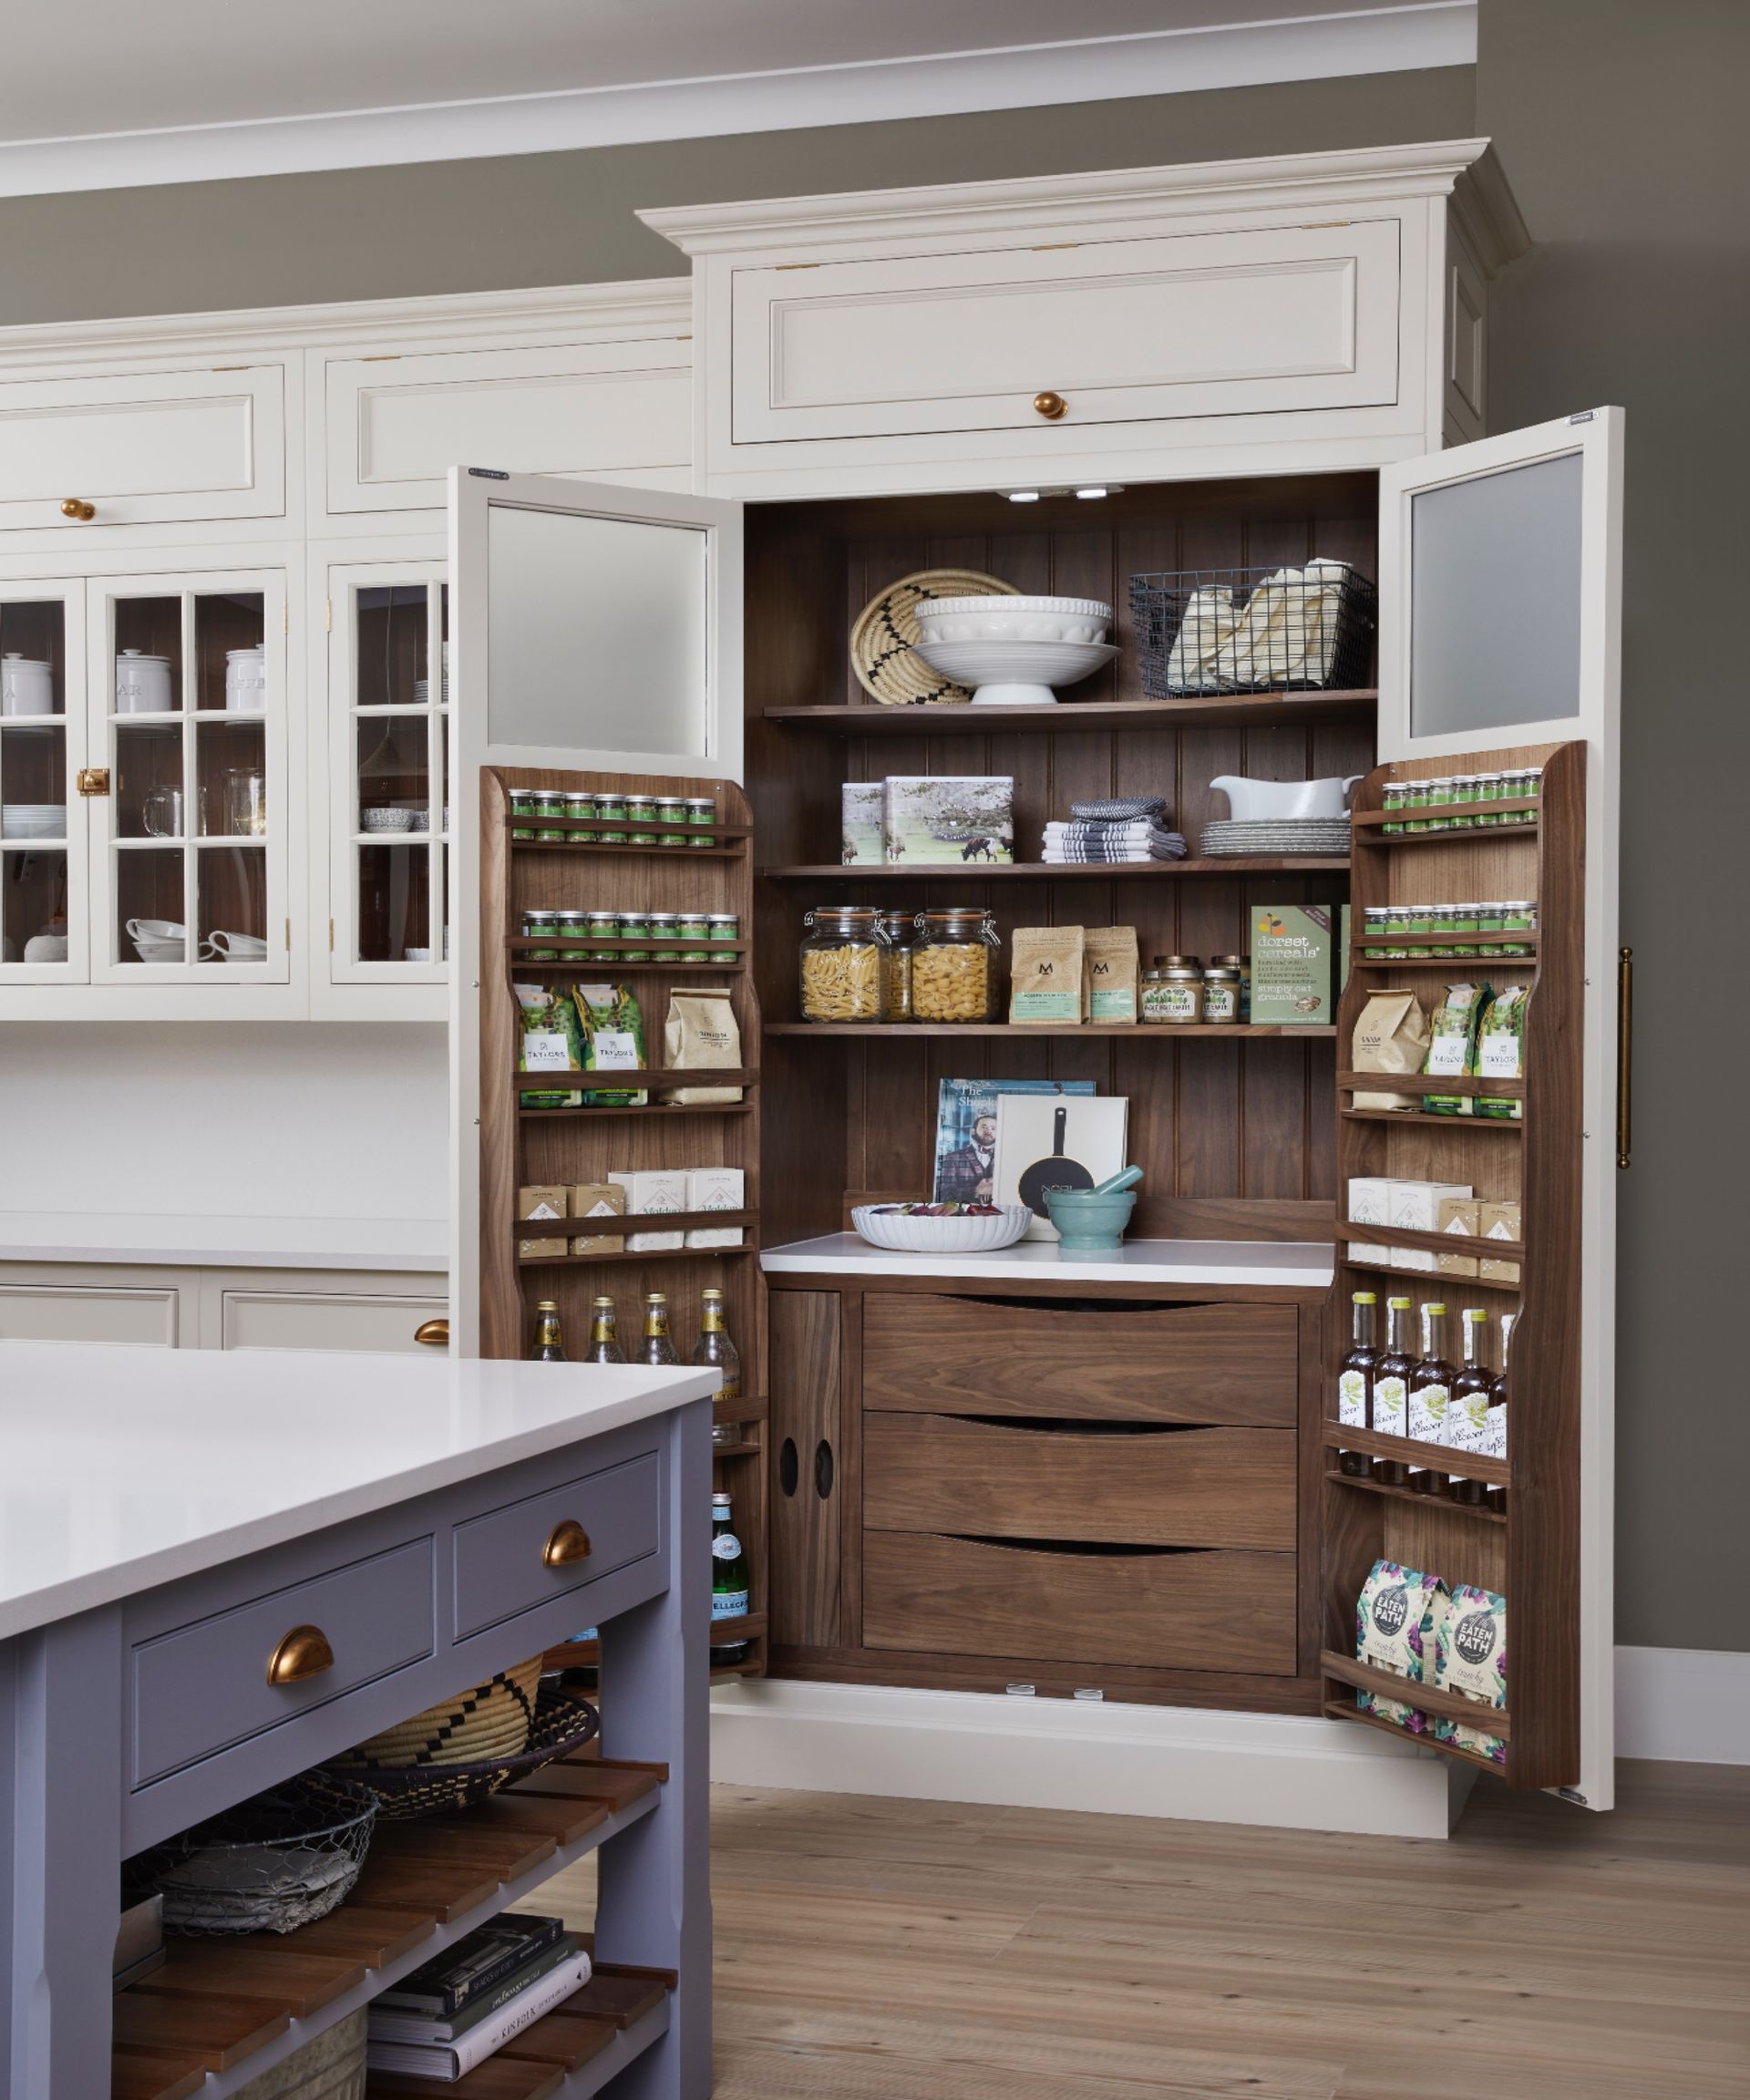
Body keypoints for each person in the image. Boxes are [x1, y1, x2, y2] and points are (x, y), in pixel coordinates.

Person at [937, 1110, 997, 1202]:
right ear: (973, 1131)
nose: (988, 1130)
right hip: (967, 1214)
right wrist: (975, 1191)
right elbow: (943, 1196)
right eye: (984, 1127)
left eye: (993, 1128)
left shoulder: (1004, 1159)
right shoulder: (952, 1158)